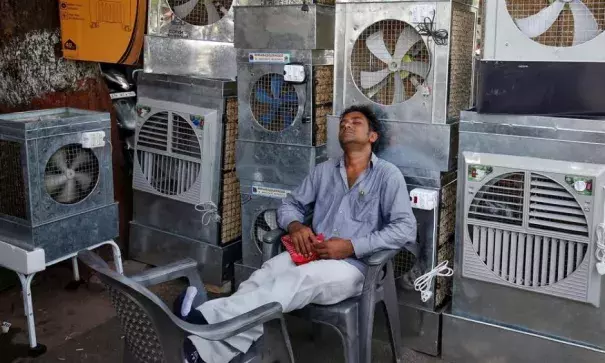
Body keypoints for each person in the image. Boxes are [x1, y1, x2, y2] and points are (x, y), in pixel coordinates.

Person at [180, 105, 418, 363]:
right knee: (263, 276)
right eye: (343, 122)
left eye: (356, 122)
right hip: (312, 254)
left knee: (298, 280)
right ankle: (216, 350)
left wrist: (352, 246)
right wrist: (295, 226)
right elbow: (289, 205)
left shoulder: (387, 176)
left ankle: (204, 319)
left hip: (356, 267)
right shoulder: (324, 171)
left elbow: (405, 229)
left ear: (372, 136)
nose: (347, 125)